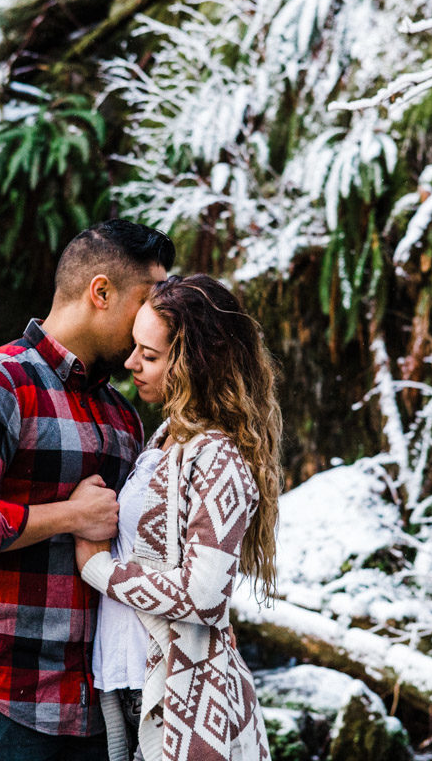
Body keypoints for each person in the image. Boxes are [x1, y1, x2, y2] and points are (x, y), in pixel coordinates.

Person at [0, 219, 175, 761]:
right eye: (147, 299)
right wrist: (68, 516)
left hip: (98, 706)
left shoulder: (123, 416)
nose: (154, 318)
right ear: (101, 291)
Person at [73, 274, 281, 761]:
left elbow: (205, 595)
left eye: (150, 355)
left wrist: (97, 569)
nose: (131, 364)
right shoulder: (166, 441)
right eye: (134, 348)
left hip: (181, 693)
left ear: (194, 363)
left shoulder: (218, 456)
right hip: (128, 683)